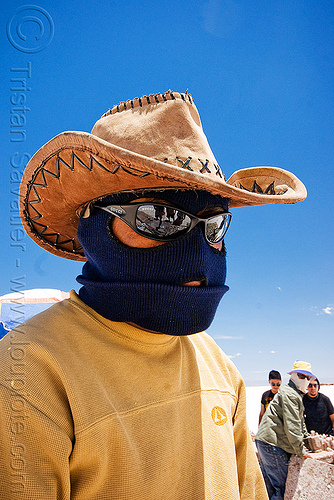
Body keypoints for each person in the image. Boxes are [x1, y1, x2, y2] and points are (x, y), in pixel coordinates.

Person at [0, 90, 307, 499]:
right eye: (160, 217)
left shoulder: (219, 369)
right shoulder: (29, 374)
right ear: (93, 230)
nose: (198, 250)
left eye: (214, 226)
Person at [255, 360, 315, 500]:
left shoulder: (294, 394)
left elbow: (300, 422)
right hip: (272, 444)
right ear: (293, 375)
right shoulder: (290, 394)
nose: (305, 380)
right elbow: (292, 425)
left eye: (308, 377)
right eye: (301, 376)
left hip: (265, 442)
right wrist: (300, 451)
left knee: (269, 489)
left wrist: (306, 438)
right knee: (281, 489)